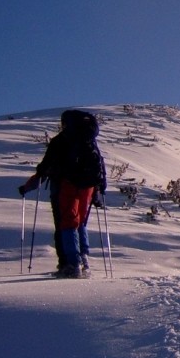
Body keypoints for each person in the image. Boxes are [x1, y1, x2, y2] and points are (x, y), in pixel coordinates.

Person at [19, 110, 107, 278]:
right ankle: (84, 260)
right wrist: (100, 188)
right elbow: (100, 166)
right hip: (88, 188)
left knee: (67, 223)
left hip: (66, 185)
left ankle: (72, 264)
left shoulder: (61, 140)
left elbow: (45, 165)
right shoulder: (90, 141)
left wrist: (30, 185)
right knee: (80, 223)